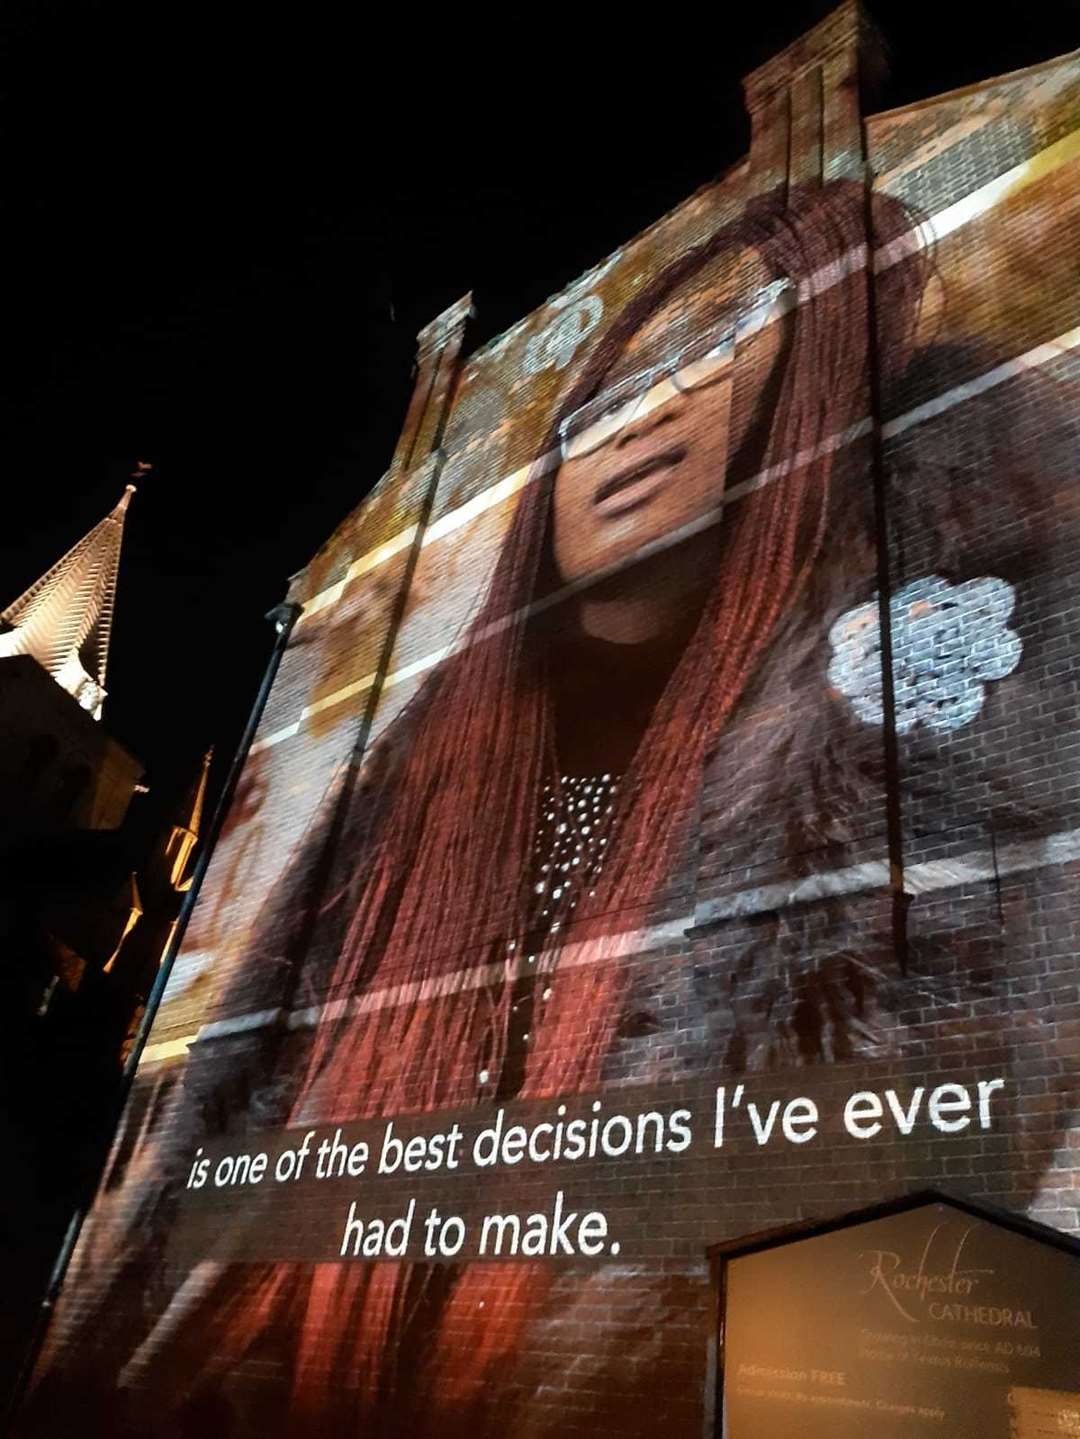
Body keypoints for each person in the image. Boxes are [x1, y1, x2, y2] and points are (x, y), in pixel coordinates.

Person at [24, 179, 960, 1437]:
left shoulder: (826, 770)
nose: (648, 415)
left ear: (795, 418)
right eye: (616, 387)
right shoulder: (412, 805)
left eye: (730, 358)